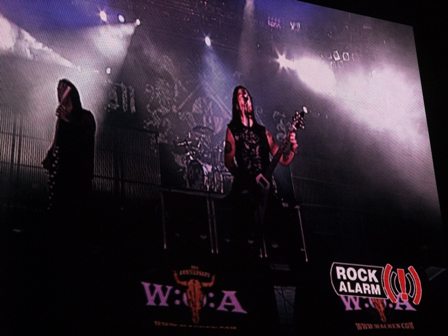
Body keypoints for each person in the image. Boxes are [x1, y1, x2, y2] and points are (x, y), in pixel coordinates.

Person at [41, 78, 96, 334]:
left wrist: (65, 120)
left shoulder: (85, 118)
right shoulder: (61, 119)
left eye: (63, 90)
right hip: (62, 182)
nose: (59, 95)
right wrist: (50, 156)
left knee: (77, 229)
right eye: (57, 91)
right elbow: (58, 142)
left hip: (79, 182)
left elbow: (81, 140)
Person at [224, 85, 298, 258]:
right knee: (243, 237)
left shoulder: (263, 132)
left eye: (247, 94)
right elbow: (228, 163)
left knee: (283, 230)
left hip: (266, 192)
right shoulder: (232, 130)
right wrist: (248, 181)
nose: (246, 96)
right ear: (237, 104)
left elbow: (284, 160)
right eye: (241, 95)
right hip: (245, 191)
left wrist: (293, 148)